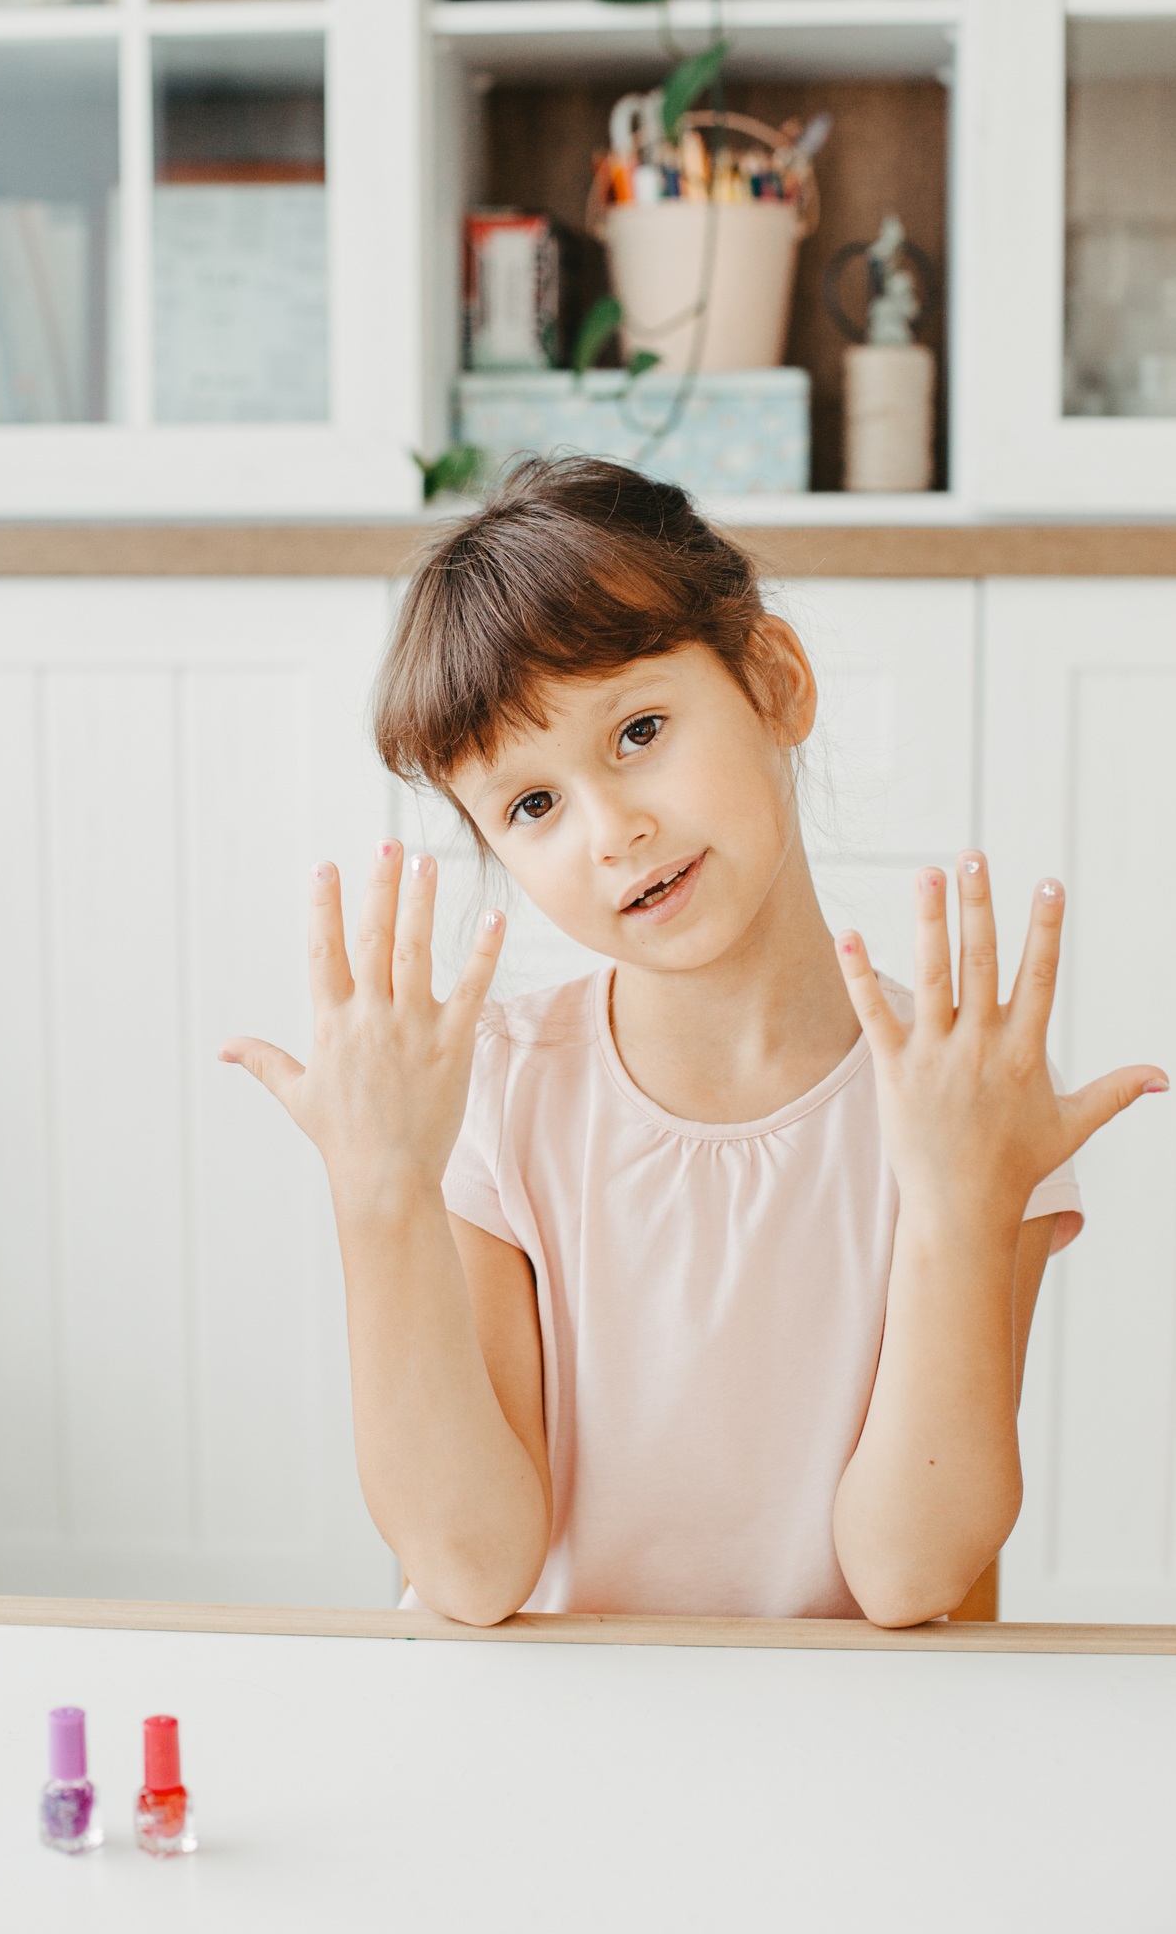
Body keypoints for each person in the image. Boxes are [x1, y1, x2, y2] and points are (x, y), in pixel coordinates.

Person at [221, 458, 1166, 1629]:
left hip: (837, 1741)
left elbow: (910, 1572)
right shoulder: (497, 1095)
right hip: (552, 1737)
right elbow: (470, 1569)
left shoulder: (957, 1093)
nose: (614, 831)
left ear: (773, 682)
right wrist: (380, 1193)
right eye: (531, 805)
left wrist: (958, 1213)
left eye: (640, 729)